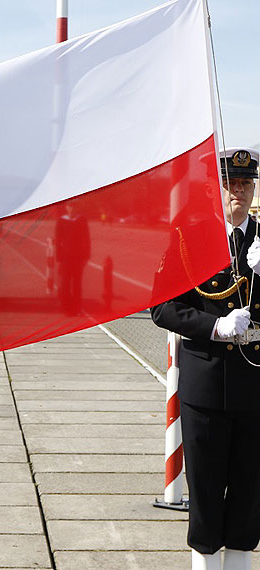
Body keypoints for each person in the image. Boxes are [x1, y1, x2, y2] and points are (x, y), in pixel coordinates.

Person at [151, 147, 260, 570]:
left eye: (246, 184)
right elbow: (163, 308)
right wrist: (215, 327)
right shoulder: (190, 239)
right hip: (207, 388)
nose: (239, 191)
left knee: (250, 495)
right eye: (231, 184)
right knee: (207, 491)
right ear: (218, 189)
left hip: (254, 388)